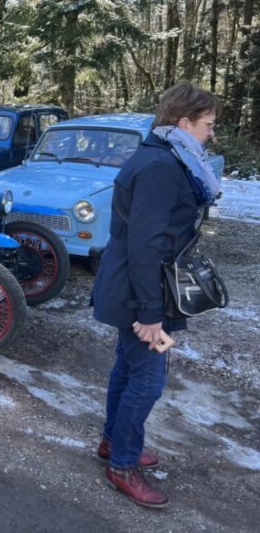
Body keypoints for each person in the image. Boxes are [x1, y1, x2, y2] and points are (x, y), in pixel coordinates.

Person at [92, 82, 220, 508]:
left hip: (137, 283)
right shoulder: (161, 166)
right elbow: (145, 244)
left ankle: (113, 443)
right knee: (147, 379)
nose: (211, 134)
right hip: (140, 289)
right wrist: (149, 314)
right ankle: (123, 464)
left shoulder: (164, 157)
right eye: (207, 125)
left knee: (127, 369)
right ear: (183, 123)